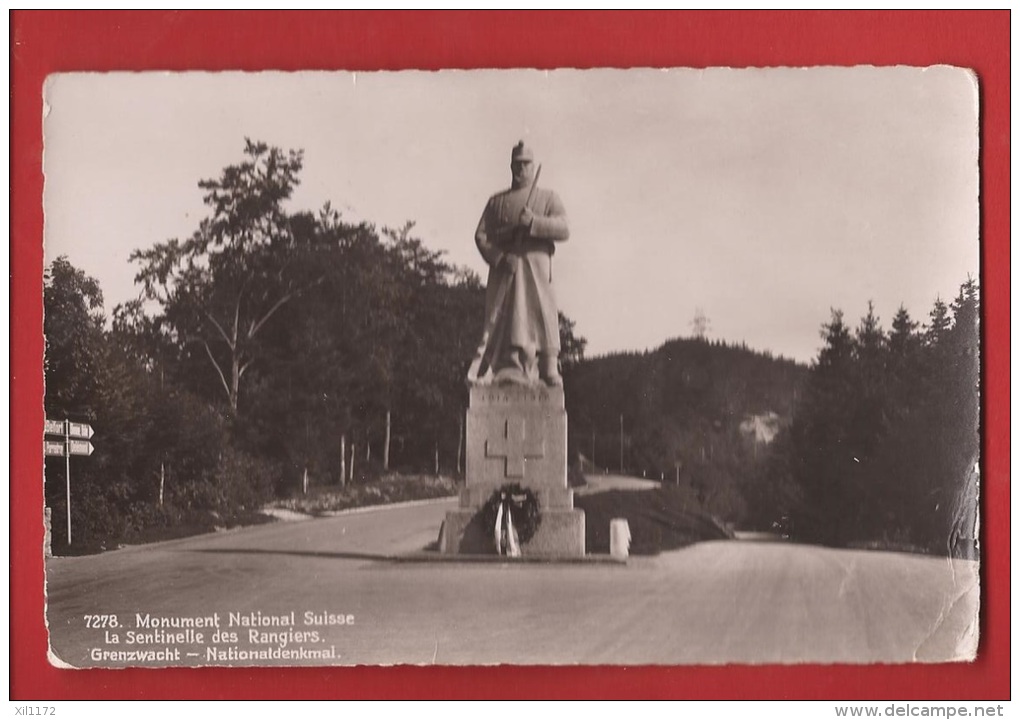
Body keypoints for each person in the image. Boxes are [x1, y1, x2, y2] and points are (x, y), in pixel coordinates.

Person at [468, 141, 570, 387]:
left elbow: (564, 228)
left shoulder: (548, 198)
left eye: (525, 164)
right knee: (506, 317)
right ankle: (505, 363)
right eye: (516, 164)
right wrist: (500, 258)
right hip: (506, 269)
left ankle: (547, 366)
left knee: (542, 314)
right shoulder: (496, 202)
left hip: (537, 267)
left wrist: (534, 222)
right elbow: (481, 235)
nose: (520, 169)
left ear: (533, 166)